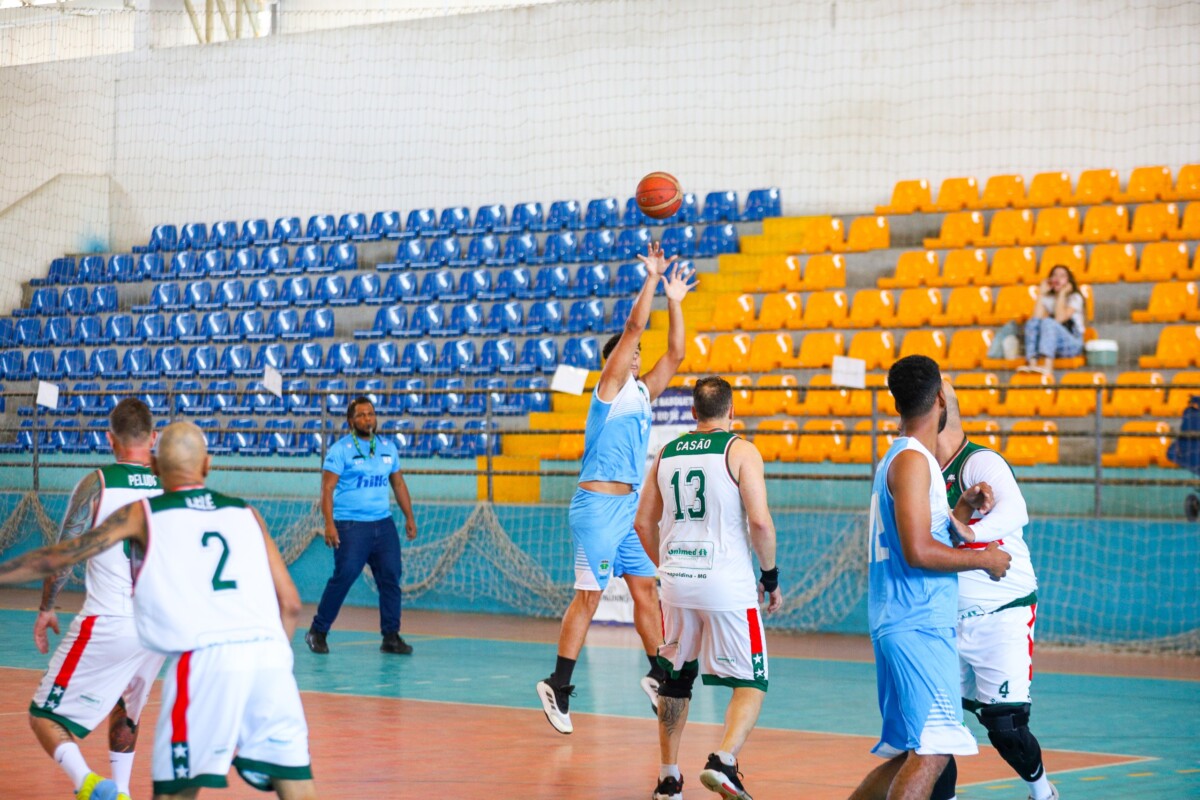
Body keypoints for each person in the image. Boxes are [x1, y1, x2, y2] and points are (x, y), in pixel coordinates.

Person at [0, 421, 317, 799]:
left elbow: (60, 556)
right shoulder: (247, 513)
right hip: (271, 662)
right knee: (298, 788)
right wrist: (273, 658)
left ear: (155, 465)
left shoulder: (144, 514)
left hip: (207, 661)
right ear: (208, 464)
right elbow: (291, 604)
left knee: (173, 792)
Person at [535, 241, 695, 735]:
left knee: (646, 589)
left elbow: (676, 353)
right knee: (589, 597)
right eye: (631, 352)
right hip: (597, 507)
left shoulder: (643, 393)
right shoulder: (608, 390)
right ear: (615, 360)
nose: (638, 355)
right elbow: (633, 328)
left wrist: (674, 300)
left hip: (626, 510)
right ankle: (557, 685)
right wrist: (652, 278)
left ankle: (657, 673)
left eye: (639, 354)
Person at [849, 355, 1011, 800]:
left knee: (913, 752)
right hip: (915, 623)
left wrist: (962, 509)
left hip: (905, 621)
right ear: (940, 398)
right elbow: (918, 551)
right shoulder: (912, 462)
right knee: (934, 751)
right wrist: (986, 560)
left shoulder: (905, 458)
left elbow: (924, 534)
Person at [633, 376, 783, 800]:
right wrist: (770, 577)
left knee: (675, 679)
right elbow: (760, 522)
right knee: (751, 680)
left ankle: (668, 780)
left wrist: (667, 566)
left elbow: (642, 522)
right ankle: (724, 761)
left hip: (677, 584)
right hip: (726, 586)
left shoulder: (666, 453)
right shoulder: (741, 450)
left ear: (693, 412)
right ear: (731, 411)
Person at [28, 397, 164, 800]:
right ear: (153, 437)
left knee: (43, 716)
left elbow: (63, 555)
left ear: (109, 438)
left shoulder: (98, 484)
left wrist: (46, 608)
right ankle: (121, 791)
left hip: (110, 618)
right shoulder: (173, 484)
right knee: (127, 707)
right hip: (158, 625)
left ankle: (88, 783)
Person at [935, 380, 1058, 800]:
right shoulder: (917, 469)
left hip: (1001, 611)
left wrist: (970, 531)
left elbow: (1015, 510)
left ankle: (1042, 792)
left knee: (1005, 726)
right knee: (934, 730)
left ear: (938, 406)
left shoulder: (978, 461)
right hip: (943, 619)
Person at [305, 396, 418, 656]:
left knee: (391, 577)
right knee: (344, 576)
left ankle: (391, 636)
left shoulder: (388, 448)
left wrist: (409, 517)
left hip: (383, 524)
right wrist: (329, 523)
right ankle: (318, 631)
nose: (367, 419)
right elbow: (327, 488)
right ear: (351, 421)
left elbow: (398, 484)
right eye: (361, 415)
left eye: (371, 414)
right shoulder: (340, 450)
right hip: (351, 526)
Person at [1019, 264, 1086, 377]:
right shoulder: (1048, 298)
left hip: (1073, 344)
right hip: (1054, 346)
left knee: (1048, 322)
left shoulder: (1075, 297)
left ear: (1069, 281)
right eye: (1054, 275)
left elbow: (1059, 318)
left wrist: (1062, 293)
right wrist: (1041, 294)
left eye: (1062, 276)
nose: (1057, 278)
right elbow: (1036, 319)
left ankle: (1048, 366)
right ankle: (1032, 363)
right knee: (1032, 323)